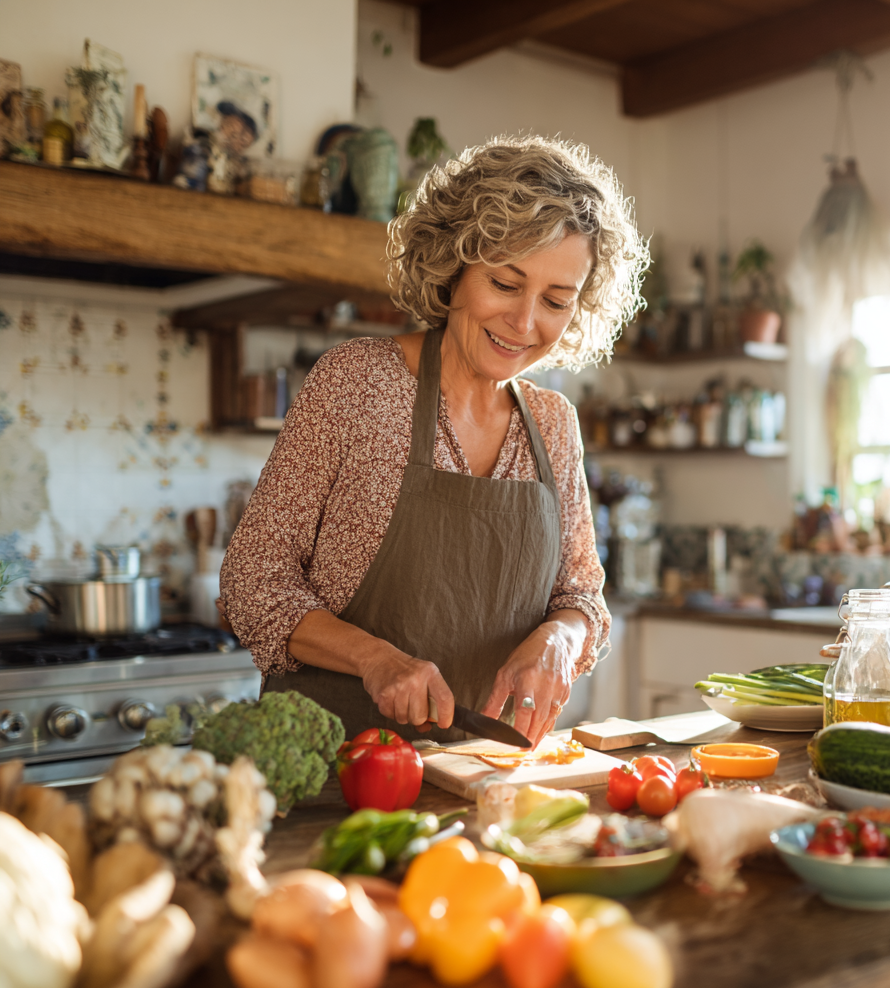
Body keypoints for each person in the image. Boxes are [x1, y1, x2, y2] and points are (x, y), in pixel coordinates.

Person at [220, 135, 648, 746]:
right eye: (504, 283)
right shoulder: (357, 384)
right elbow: (253, 578)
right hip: (334, 770)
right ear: (454, 266)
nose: (525, 324)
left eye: (556, 300)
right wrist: (375, 659)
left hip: (482, 774)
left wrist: (560, 638)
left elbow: (581, 594)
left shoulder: (554, 424)